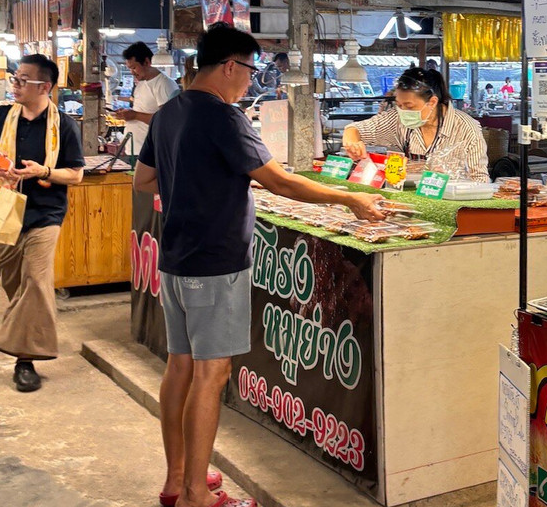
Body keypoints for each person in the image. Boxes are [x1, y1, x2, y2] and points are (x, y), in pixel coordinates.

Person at [134, 25, 386, 507]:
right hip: (216, 264)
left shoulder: (169, 113)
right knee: (212, 374)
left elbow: (145, 179)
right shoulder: (224, 118)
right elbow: (280, 183)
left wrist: (196, 184)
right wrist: (349, 198)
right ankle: (195, 496)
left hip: (175, 260)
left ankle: (176, 480)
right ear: (229, 65)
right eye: (250, 71)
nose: (250, 82)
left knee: (180, 366)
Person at [0, 55, 85, 392]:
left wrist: (44, 172)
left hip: (46, 212)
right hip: (5, 206)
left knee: (36, 280)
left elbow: (76, 174)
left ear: (45, 87)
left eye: (24, 80)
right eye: (15, 79)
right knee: (12, 281)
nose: (16, 85)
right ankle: (21, 337)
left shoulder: (64, 125)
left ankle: (24, 359)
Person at [342, 66, 490, 183]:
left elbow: (480, 179)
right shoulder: (396, 119)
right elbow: (354, 129)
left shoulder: (466, 128)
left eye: (409, 106)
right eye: (399, 105)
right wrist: (353, 142)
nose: (402, 111)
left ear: (432, 102)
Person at [119, 41, 180, 156]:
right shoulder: (141, 83)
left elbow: (167, 121)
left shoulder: (164, 84)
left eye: (134, 67)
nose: (132, 72)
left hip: (151, 154)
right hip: (134, 151)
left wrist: (135, 115)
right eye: (129, 68)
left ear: (147, 62)